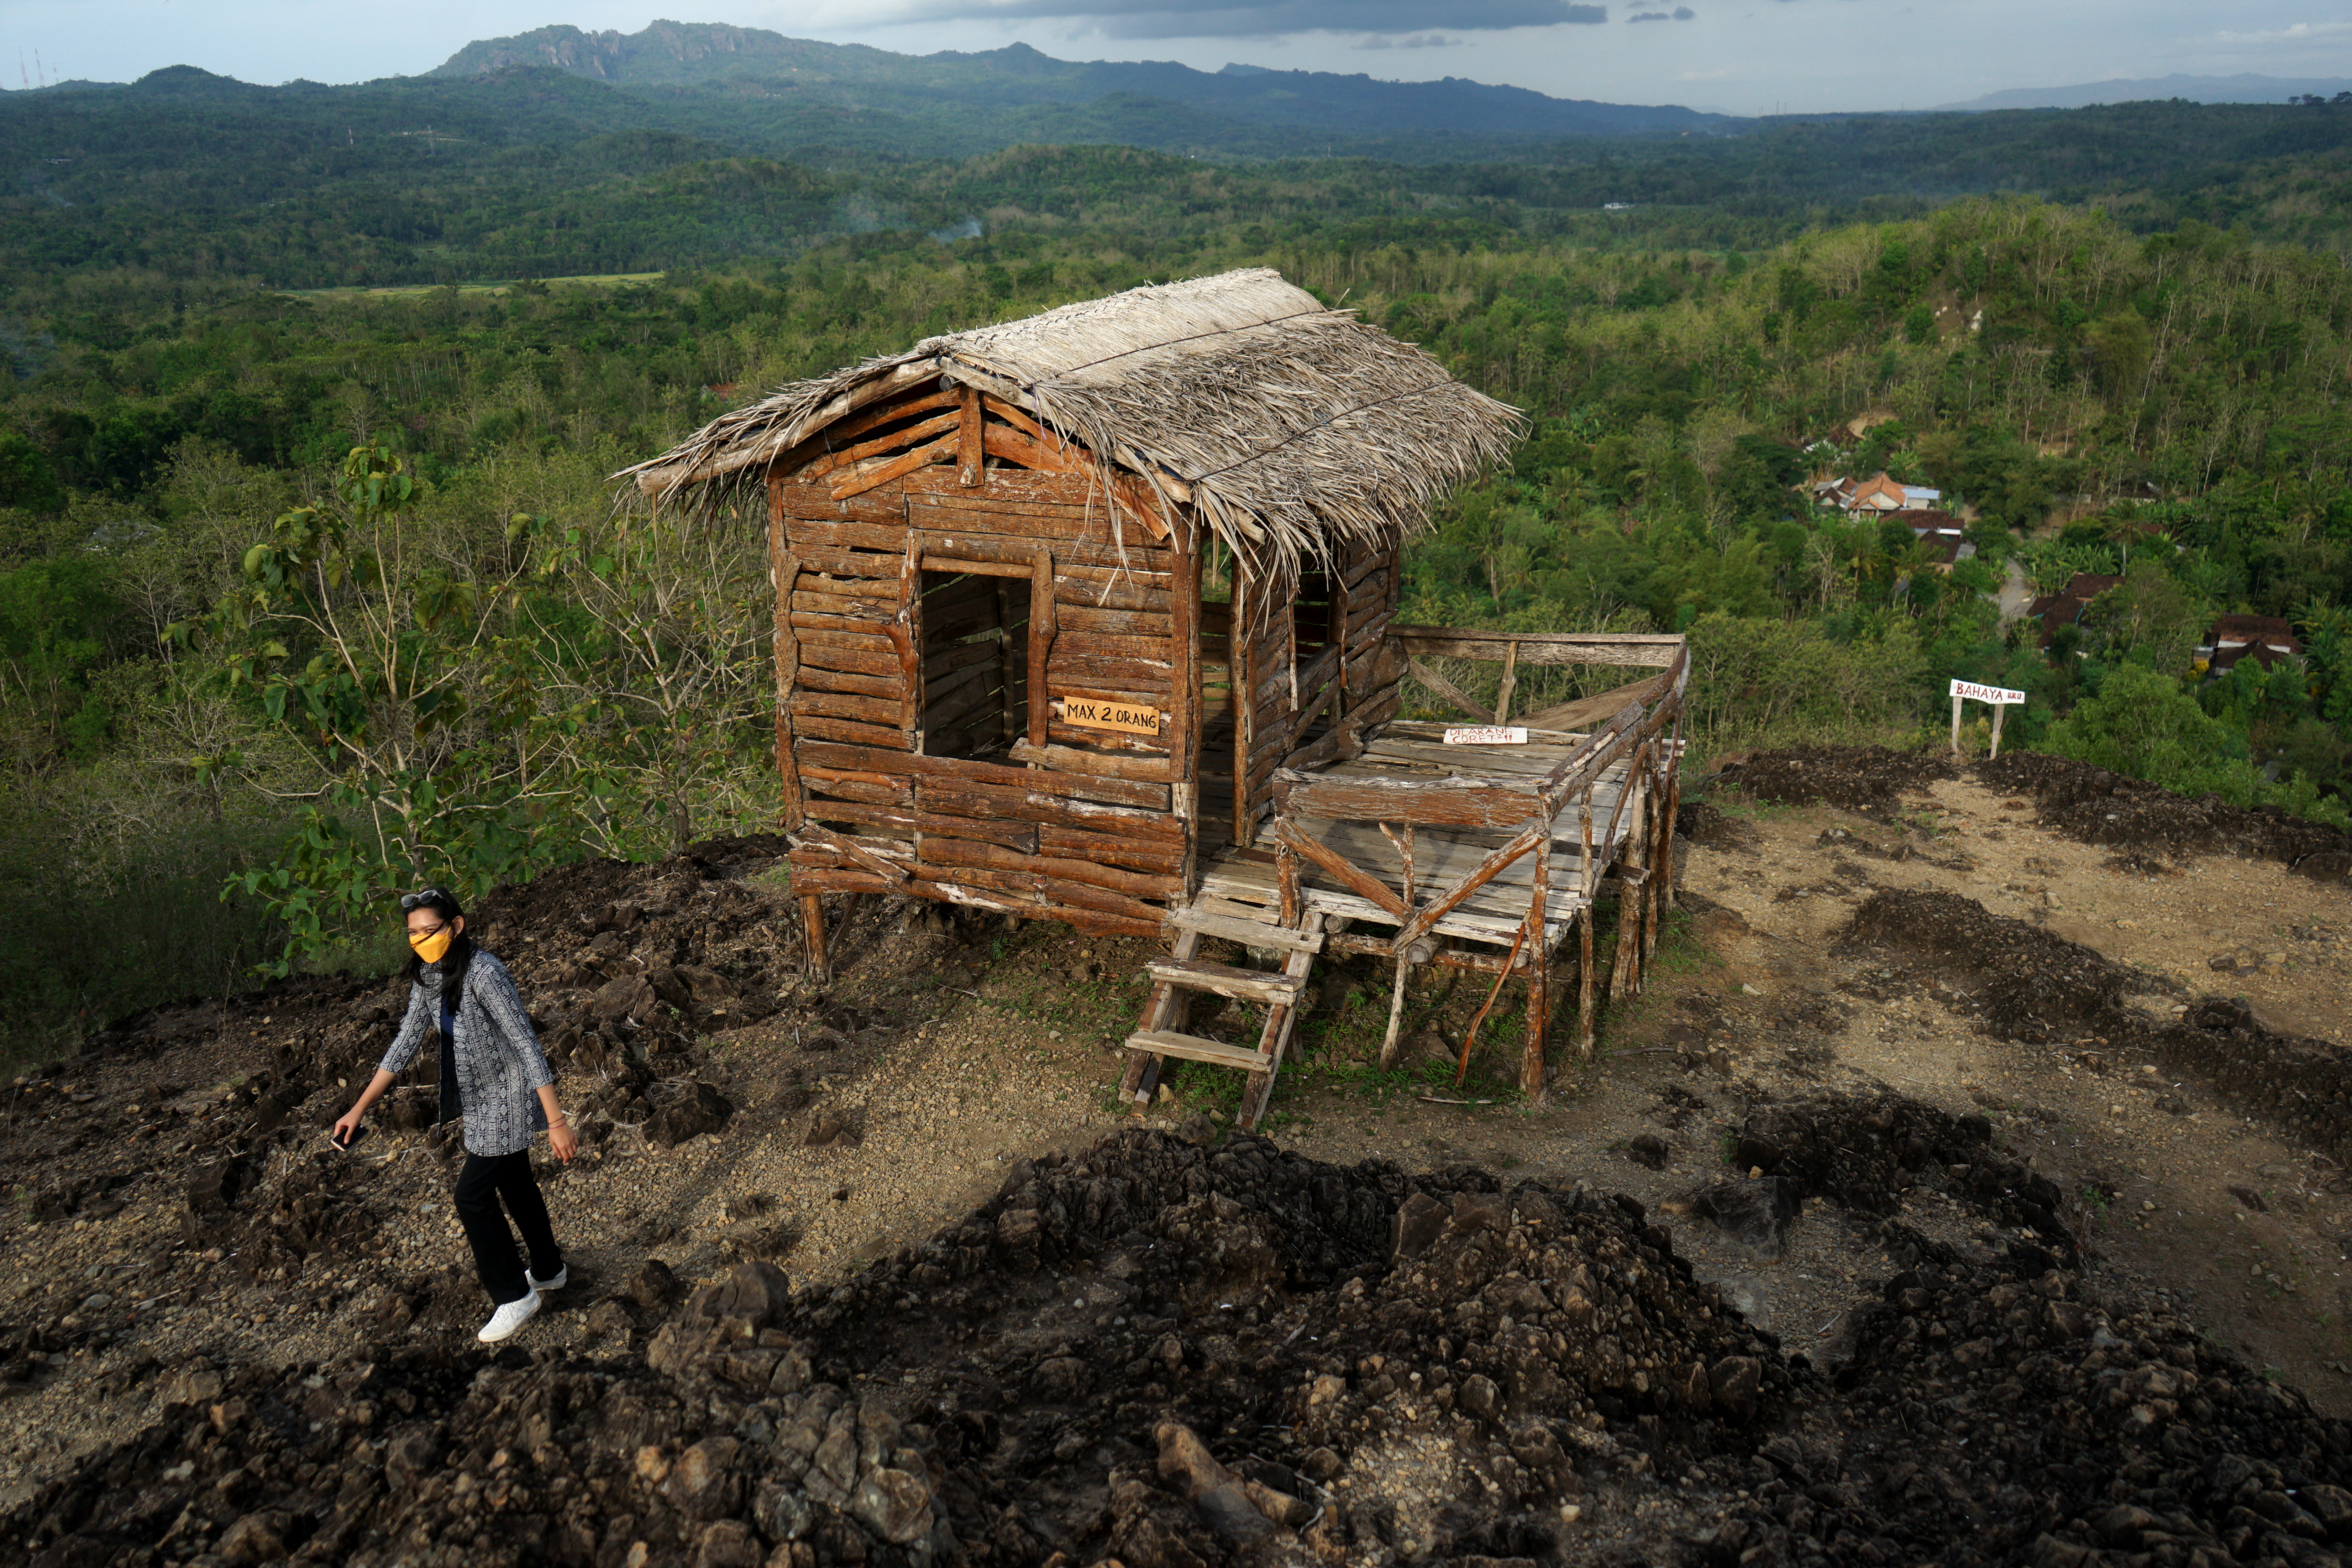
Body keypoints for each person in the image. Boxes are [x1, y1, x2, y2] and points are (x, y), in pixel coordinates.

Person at [333, 887, 580, 1343]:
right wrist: (357, 1108)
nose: (423, 939)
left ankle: (513, 1295)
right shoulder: (428, 976)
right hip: (479, 1098)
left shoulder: (486, 974)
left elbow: (527, 1043)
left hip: (509, 1096)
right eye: (414, 933)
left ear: (457, 925)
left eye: (431, 930)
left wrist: (556, 1121)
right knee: (516, 1183)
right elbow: (403, 1044)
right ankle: (548, 1270)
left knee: (471, 1197)